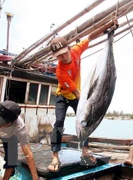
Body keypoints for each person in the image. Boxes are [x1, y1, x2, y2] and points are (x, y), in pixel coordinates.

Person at [47, 19, 118, 172]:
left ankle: (85, 150)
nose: (64, 57)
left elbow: (90, 37)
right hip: (64, 96)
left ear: (68, 47)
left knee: (86, 121)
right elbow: (78, 94)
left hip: (78, 97)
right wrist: (91, 103)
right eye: (59, 56)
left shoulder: (76, 51)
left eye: (65, 53)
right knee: (59, 122)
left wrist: (107, 26)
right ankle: (55, 155)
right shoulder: (60, 72)